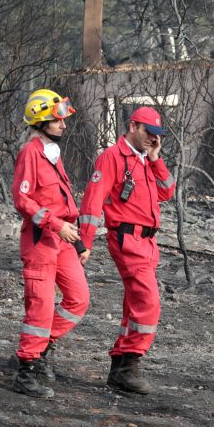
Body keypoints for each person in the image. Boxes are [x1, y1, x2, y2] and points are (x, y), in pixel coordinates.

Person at [78, 106, 175, 395]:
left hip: (148, 243)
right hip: (127, 240)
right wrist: (84, 242)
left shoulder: (145, 160)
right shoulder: (112, 158)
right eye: (148, 133)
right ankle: (128, 364)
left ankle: (120, 366)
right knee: (148, 302)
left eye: (157, 135)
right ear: (133, 126)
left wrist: (156, 158)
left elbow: (167, 191)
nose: (152, 139)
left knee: (135, 304)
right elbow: (93, 202)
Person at [10, 89, 90, 398]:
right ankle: (26, 369)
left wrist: (79, 242)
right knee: (40, 307)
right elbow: (22, 199)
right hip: (41, 240)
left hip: (64, 241)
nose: (64, 125)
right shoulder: (31, 152)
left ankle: (42, 348)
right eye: (58, 120)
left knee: (78, 299)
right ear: (42, 119)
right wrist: (56, 224)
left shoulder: (52, 154)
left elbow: (64, 200)